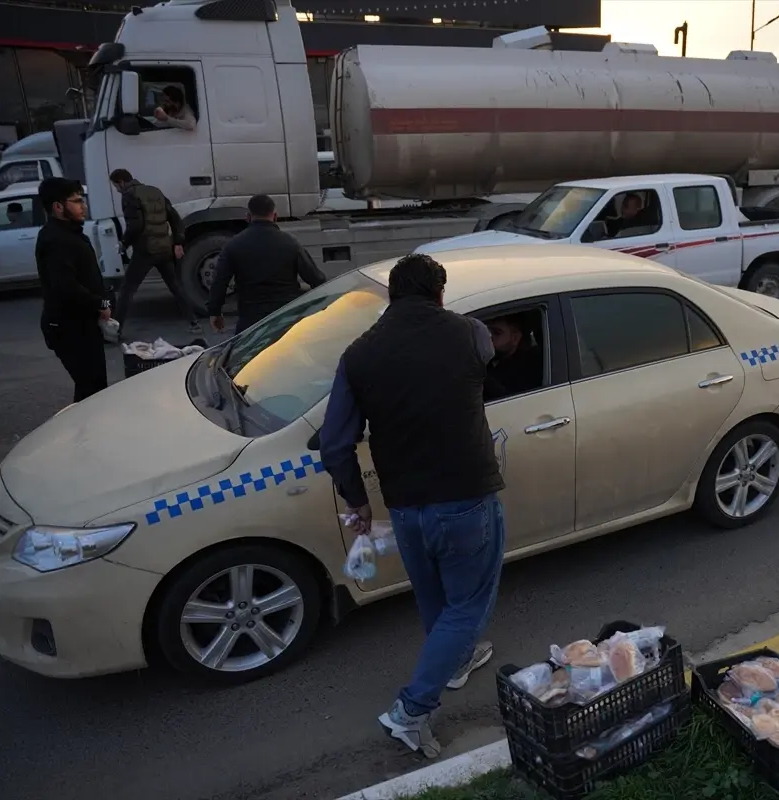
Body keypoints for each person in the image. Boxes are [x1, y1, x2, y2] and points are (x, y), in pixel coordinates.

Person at [320, 253, 506, 758]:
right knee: (467, 605)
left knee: (435, 602)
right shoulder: (470, 334)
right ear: (440, 293)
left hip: (405, 507)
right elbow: (490, 357)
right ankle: (412, 710)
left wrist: (357, 501)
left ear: (391, 296)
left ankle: (457, 660)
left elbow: (335, 444)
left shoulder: (359, 354)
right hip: (465, 497)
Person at [35, 178, 110, 403]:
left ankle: (87, 432)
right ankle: (84, 434)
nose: (83, 205)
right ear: (58, 207)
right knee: (92, 391)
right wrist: (100, 303)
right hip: (68, 329)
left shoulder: (71, 234)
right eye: (77, 201)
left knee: (93, 388)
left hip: (82, 324)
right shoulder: (55, 240)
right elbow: (65, 286)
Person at [208, 194, 327, 335]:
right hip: (286, 319)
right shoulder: (290, 243)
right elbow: (316, 279)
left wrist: (215, 312)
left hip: (251, 321)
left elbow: (219, 282)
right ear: (275, 216)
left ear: (248, 217)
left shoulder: (233, 245)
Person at [109, 168, 201, 336]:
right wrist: (178, 242)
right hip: (164, 248)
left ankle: (116, 330)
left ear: (120, 182)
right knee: (175, 286)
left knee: (127, 290)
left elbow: (135, 226)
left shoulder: (129, 195)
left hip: (145, 250)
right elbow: (174, 217)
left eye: (116, 186)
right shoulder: (155, 191)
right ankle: (193, 322)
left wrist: (124, 243)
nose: (117, 190)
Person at [484, 314, 542, 401]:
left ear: (515, 338)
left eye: (497, 333)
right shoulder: (492, 360)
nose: (490, 337)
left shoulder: (527, 369)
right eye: (487, 331)